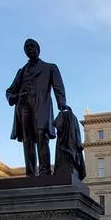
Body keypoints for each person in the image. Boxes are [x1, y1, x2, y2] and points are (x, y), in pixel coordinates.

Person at [6, 38, 68, 176]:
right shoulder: (21, 72)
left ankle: (45, 170)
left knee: (41, 135)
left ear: (38, 49)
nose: (30, 49)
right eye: (27, 47)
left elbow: (58, 87)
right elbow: (9, 91)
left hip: (41, 105)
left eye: (32, 46)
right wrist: (13, 97)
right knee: (27, 139)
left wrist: (61, 103)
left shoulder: (50, 67)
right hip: (23, 106)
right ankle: (30, 172)